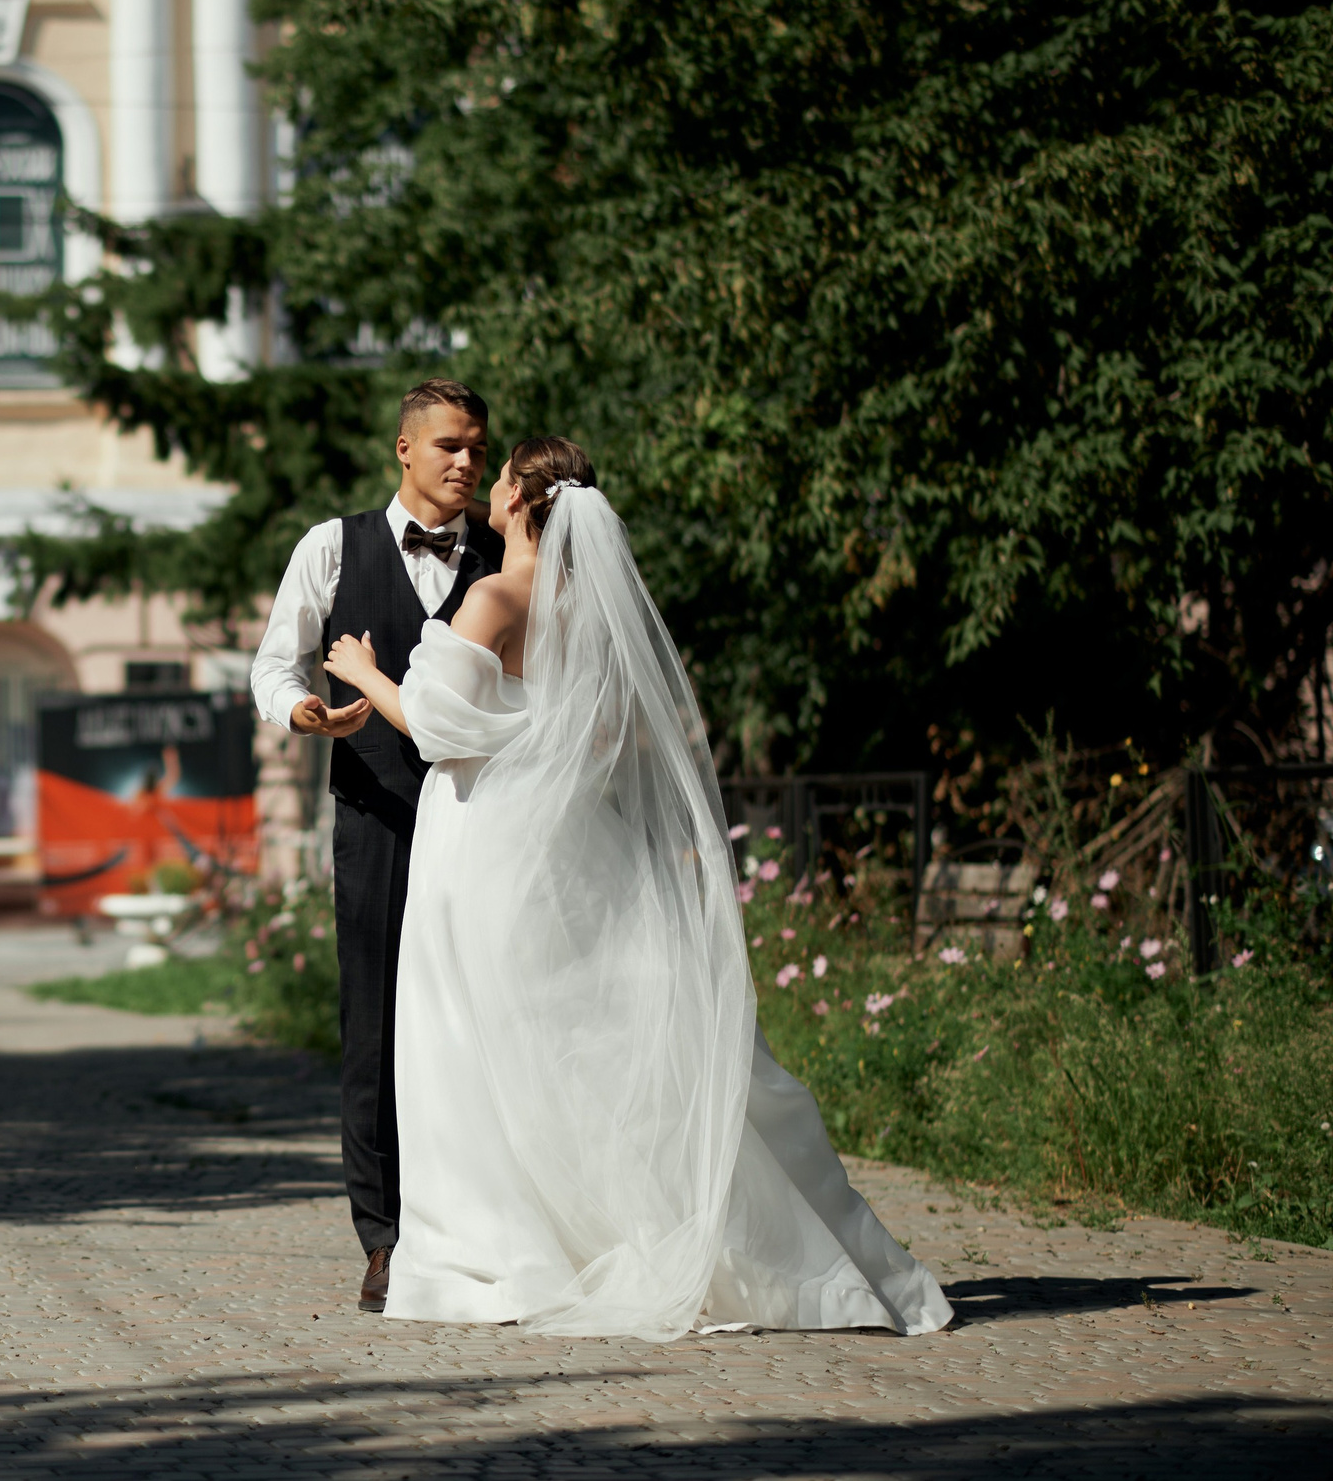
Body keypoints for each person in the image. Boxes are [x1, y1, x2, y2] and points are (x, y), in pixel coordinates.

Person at [322, 438, 951, 1341]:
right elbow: (609, 735)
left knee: (474, 1038)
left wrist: (366, 672)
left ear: (523, 504)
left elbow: (435, 730)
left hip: (485, 841)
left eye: (501, 479)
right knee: (588, 1039)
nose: (489, 486)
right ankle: (669, 1233)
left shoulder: (496, 596)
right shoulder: (595, 611)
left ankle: (514, 1244)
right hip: (575, 845)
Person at [251, 379, 502, 1313]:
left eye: (477, 447)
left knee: (482, 1022)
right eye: (448, 446)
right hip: (376, 822)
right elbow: (273, 662)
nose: (467, 463)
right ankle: (386, 1239)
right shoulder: (332, 546)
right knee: (377, 1032)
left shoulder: (505, 555)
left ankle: (479, 1225)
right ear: (405, 449)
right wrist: (303, 710)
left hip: (486, 825)